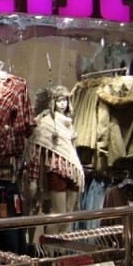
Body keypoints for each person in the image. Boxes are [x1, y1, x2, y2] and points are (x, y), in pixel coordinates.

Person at [26, 85, 85, 234]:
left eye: (65, 100)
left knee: (69, 216)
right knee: (60, 216)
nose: (63, 103)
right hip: (56, 170)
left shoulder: (69, 123)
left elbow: (71, 149)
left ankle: (61, 246)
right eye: (59, 100)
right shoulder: (46, 122)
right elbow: (37, 151)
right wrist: (33, 179)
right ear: (53, 102)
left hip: (72, 171)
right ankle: (47, 244)